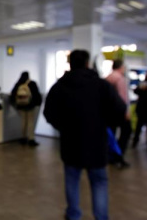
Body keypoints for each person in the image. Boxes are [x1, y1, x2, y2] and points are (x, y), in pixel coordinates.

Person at [44, 50, 126, 220]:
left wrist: (63, 127)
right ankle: (101, 217)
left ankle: (73, 214)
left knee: (72, 181)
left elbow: (49, 113)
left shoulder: (59, 86)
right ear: (88, 63)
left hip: (70, 144)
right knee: (99, 183)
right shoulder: (101, 86)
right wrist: (104, 124)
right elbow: (119, 108)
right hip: (96, 144)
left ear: (70, 63)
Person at [105, 59, 132, 167]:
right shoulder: (120, 78)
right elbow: (122, 97)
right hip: (119, 111)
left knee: (111, 133)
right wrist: (126, 111)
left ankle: (111, 155)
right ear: (121, 67)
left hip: (109, 111)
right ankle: (118, 156)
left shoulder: (107, 78)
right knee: (126, 131)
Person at [10, 71, 42, 146]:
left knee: (23, 122)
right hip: (30, 106)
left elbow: (13, 94)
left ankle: (23, 138)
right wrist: (38, 103)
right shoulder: (32, 83)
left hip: (21, 106)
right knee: (30, 122)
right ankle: (31, 139)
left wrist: (15, 103)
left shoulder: (18, 84)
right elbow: (36, 94)